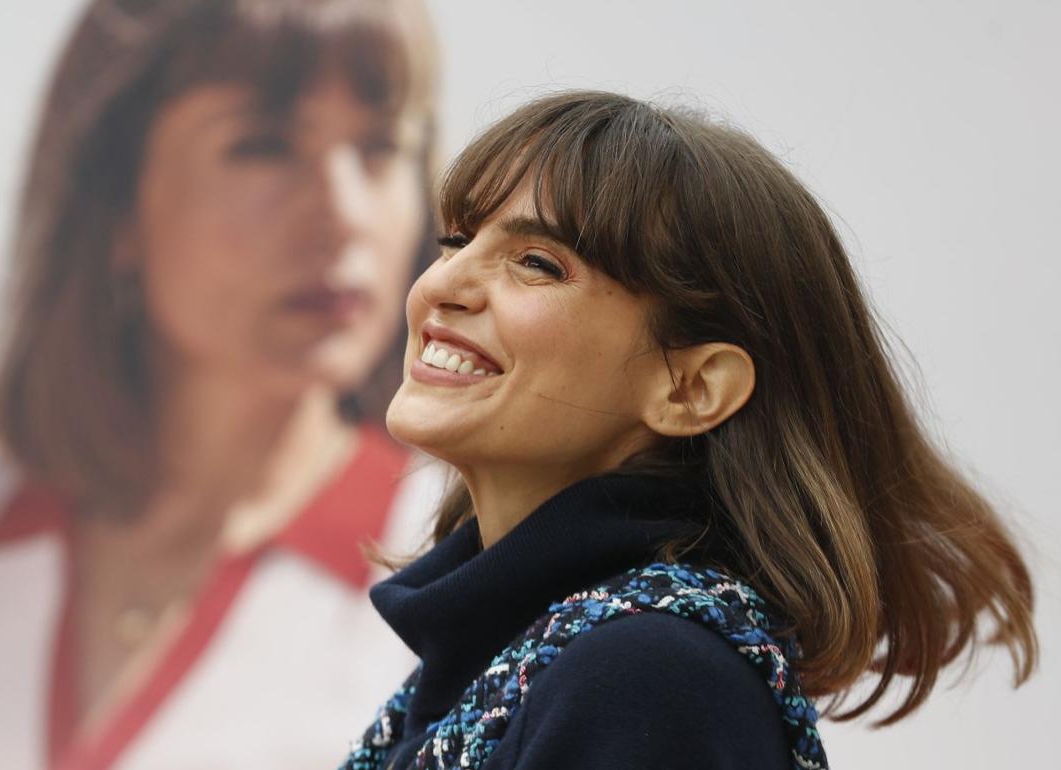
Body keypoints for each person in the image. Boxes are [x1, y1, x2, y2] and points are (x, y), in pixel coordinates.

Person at [0, 1, 444, 768]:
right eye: (264, 146)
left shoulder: (463, 569)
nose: (344, 213)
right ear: (113, 204)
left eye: (380, 149)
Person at [339, 91, 1039, 769]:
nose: (441, 283)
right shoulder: (515, 667)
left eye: (537, 263)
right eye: (455, 239)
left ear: (690, 388)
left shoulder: (646, 679)